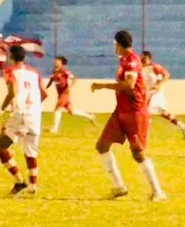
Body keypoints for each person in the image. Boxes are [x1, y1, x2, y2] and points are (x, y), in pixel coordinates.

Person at [92, 31, 167, 201]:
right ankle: (119, 187)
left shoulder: (132, 60)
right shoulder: (124, 60)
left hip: (134, 112)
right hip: (121, 111)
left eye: (114, 44)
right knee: (102, 146)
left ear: (118, 43)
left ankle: (158, 191)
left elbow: (129, 85)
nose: (114, 47)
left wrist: (102, 85)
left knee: (138, 153)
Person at [0, 45, 48, 195]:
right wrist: (34, 107)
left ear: (11, 57)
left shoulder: (11, 71)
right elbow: (45, 93)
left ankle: (19, 181)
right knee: (31, 151)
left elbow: (12, 93)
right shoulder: (34, 72)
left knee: (0, 147)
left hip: (22, 114)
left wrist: (0, 111)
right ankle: (33, 185)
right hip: (35, 115)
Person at [141, 51, 185, 137]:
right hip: (148, 93)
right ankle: (182, 126)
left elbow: (166, 75)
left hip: (154, 93)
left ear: (149, 59)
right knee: (165, 114)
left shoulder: (155, 67)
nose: (142, 60)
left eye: (144, 58)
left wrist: (158, 85)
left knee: (144, 112)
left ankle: (143, 135)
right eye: (141, 58)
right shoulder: (141, 69)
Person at [46, 56, 95, 133]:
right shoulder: (54, 71)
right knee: (71, 112)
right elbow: (52, 79)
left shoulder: (65, 71)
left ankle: (55, 129)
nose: (55, 63)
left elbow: (74, 79)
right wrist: (46, 87)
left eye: (57, 62)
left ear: (62, 64)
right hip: (60, 94)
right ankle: (90, 116)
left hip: (64, 93)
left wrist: (70, 87)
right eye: (55, 62)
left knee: (57, 108)